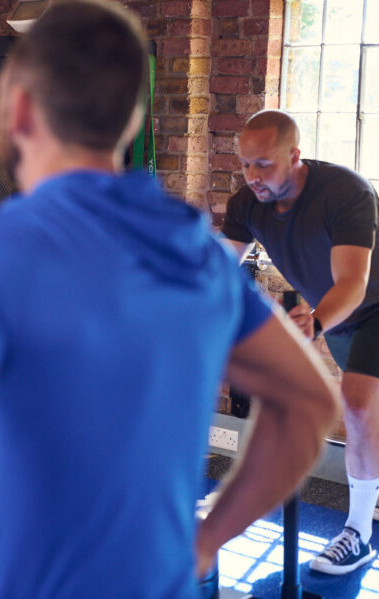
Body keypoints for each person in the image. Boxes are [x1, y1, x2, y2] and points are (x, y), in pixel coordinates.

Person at [0, 3, 339, 598]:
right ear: (128, 118)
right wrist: (205, 540)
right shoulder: (195, 254)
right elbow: (309, 403)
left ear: (17, 109)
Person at [222, 108, 379, 575]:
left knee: (357, 404)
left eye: (264, 164)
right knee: (364, 413)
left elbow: (352, 283)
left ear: (295, 155)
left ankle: (358, 533)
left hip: (372, 305)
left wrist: (310, 324)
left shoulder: (345, 192)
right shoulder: (247, 204)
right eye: (245, 163)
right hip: (344, 321)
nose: (252, 175)